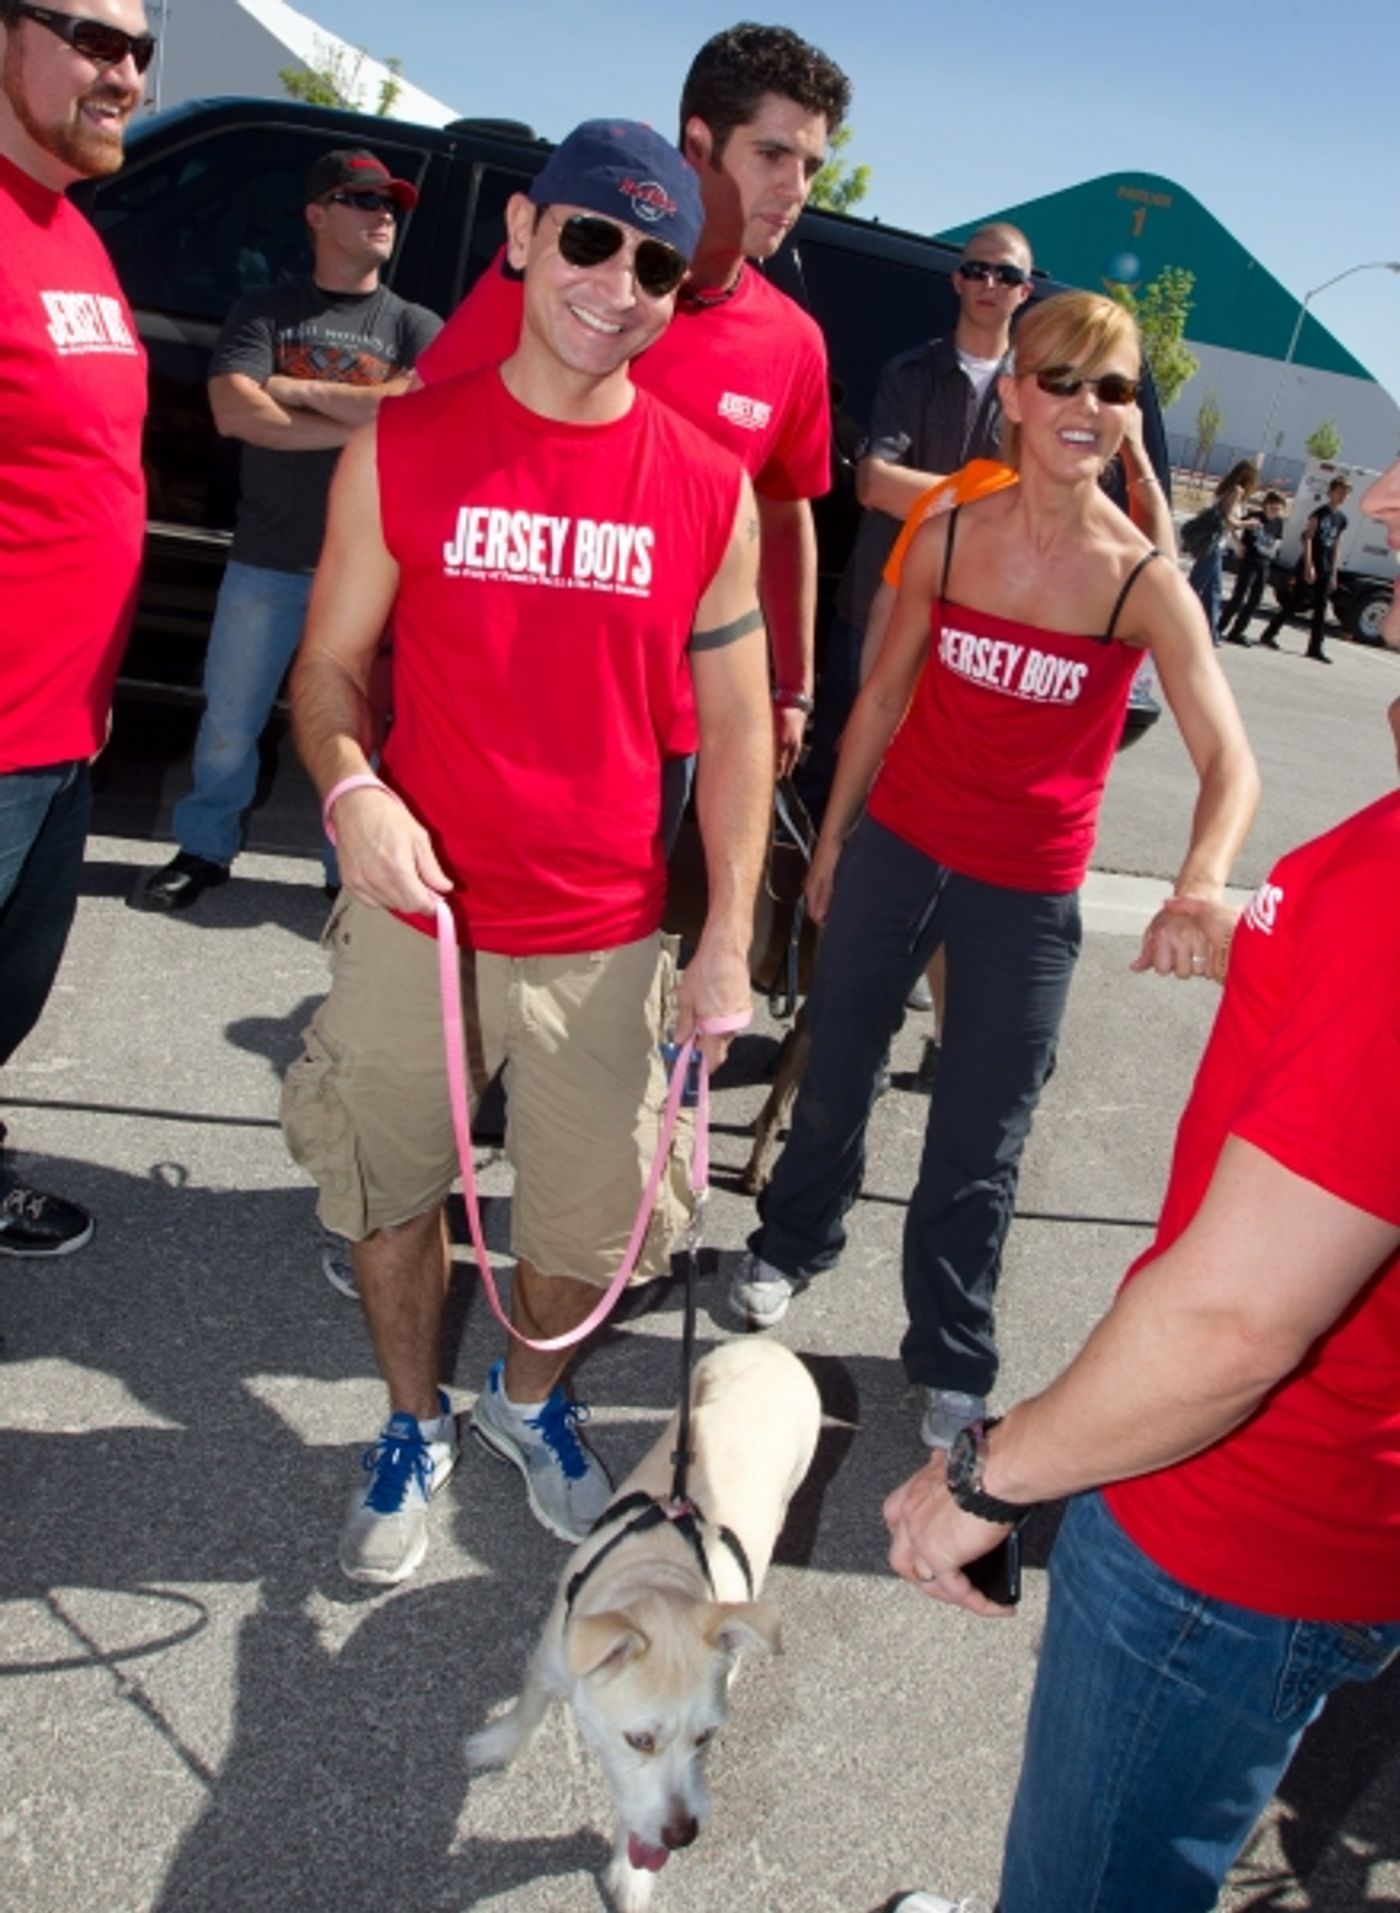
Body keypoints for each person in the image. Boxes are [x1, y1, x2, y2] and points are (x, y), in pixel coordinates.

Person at [882, 458, 1400, 1913]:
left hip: (1223, 1535)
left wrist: (987, 1475)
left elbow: (1233, 1326)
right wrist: (1282, 951)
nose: (1380, 493)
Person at [280, 120, 771, 1586]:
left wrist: (730, 934)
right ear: (522, 235)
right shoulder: (405, 443)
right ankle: (413, 1417)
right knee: (387, 1186)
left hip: (609, 934)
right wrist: (352, 786)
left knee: (587, 1221)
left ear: (680, 293)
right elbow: (324, 676)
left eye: (657, 263)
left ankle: (528, 1399)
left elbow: (740, 737)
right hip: (414, 921)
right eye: (591, 239)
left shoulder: (707, 486)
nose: (617, 283)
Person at [733, 293, 1260, 1455]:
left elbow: (1229, 762)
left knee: (979, 1138)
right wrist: (830, 844)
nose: (1083, 407)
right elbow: (879, 693)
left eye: (1111, 389)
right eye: (1060, 381)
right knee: (833, 1069)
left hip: (1024, 892)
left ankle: (951, 1355)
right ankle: (789, 1243)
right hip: (897, 849)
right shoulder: (952, 532)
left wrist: (1201, 878)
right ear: (1011, 396)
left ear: (1129, 417)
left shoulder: (1140, 583)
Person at [414, 22, 850, 786]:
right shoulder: (571, 279)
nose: (796, 189)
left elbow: (783, 514)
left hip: (659, 731)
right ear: (699, 141)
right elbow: (430, 425)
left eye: (811, 164)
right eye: (773, 155)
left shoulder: (794, 344)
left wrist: (793, 688)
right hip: (493, 698)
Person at [129, 148, 442, 913]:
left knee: (356, 736)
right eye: (363, 200)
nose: (382, 215)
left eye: (390, 205)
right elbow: (235, 412)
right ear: (317, 213)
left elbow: (410, 415)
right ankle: (205, 847)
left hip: (367, 575)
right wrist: (357, 419)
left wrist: (293, 389)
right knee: (230, 723)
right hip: (267, 558)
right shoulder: (263, 310)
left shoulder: (414, 324)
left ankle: (351, 874)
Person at [0, 0, 151, 1255]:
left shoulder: (72, 231)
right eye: (97, 39)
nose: (127, 74)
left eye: (141, 51)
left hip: (61, 729)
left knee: (9, 997)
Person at [1257, 474, 1352, 663]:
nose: (1343, 496)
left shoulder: (1341, 519)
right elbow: (1307, 538)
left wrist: (1334, 572)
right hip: (1310, 565)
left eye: (1346, 494)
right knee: (1294, 602)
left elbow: (1335, 544)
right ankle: (1269, 633)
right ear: (1331, 492)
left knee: (1321, 607)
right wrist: (1308, 566)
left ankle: (1315, 647)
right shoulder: (1319, 514)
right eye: (1340, 492)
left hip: (1325, 567)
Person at [1184, 458, 1257, 645]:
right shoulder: (1236, 491)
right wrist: (1249, 523)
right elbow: (1230, 520)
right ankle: (1180, 621)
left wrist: (1237, 543)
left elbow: (1224, 521)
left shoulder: (1224, 489)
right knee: (1197, 586)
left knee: (1212, 591)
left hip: (1216, 546)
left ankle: (1211, 632)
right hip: (1214, 547)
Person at [1221, 486, 1287, 645]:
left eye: (1279, 508)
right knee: (1239, 596)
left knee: (1255, 599)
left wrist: (1273, 552)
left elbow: (1276, 540)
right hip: (1250, 559)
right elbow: (1234, 526)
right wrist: (1238, 544)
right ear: (1266, 504)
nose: (1275, 511)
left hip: (1264, 562)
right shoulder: (1254, 517)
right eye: (1273, 506)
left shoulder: (1278, 522)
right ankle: (1220, 626)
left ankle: (1237, 631)